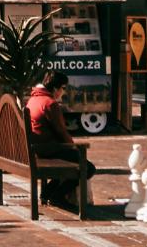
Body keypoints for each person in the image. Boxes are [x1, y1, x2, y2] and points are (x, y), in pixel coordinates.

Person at [25, 70, 97, 208]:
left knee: (72, 160)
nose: (63, 92)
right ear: (55, 88)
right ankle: (56, 196)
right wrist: (73, 147)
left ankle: (47, 193)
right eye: (63, 88)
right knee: (88, 168)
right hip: (47, 151)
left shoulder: (33, 100)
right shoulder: (50, 103)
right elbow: (61, 132)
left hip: (37, 150)